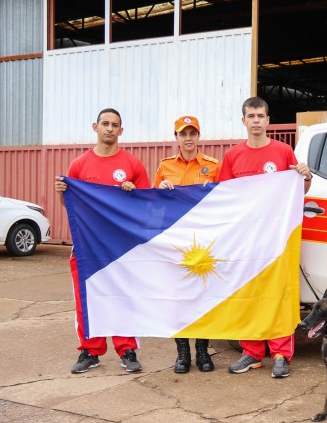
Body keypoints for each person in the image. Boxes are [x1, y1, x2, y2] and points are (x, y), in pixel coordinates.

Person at [219, 97, 312, 379]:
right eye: (251, 116)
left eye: (261, 115)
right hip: (246, 240)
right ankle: (252, 353)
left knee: (279, 295)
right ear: (243, 121)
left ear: (268, 120)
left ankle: (281, 354)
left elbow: (300, 190)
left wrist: (306, 177)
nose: (256, 120)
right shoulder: (233, 156)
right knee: (248, 295)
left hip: (278, 238)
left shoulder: (283, 152)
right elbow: (224, 195)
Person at [54, 108, 150, 374]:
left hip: (120, 245)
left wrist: (132, 193)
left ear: (121, 131)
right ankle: (90, 351)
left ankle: (127, 349)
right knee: (87, 297)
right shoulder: (79, 164)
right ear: (95, 127)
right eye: (105, 124)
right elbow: (70, 204)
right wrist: (62, 192)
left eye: (115, 125)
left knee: (122, 295)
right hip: (87, 243)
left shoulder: (133, 164)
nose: (109, 128)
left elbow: (146, 205)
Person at [153, 115, 221, 374]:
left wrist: (212, 190)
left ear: (199, 137)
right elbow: (153, 202)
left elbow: (227, 199)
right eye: (183, 134)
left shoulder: (213, 166)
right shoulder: (165, 167)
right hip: (176, 240)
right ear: (177, 138)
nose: (188, 138)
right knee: (178, 296)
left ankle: (203, 351)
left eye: (193, 133)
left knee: (203, 295)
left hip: (204, 241)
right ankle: (182, 353)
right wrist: (162, 189)